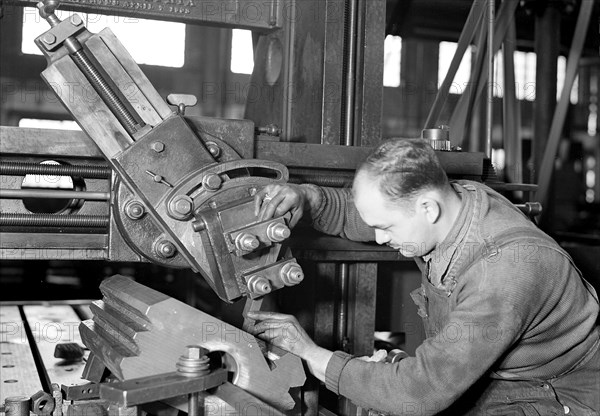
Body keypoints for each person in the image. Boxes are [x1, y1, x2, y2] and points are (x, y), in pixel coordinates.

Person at [246, 138, 600, 415]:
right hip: (506, 376)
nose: (380, 239)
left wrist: (310, 354)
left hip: (559, 393)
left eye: (387, 228)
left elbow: (420, 392)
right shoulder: (456, 203)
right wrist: (306, 198)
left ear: (428, 208)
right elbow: (357, 216)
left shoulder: (505, 271)